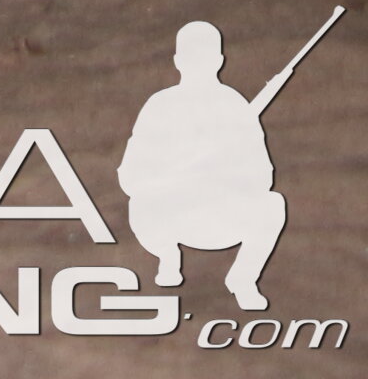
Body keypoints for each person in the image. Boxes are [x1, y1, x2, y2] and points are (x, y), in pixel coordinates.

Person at [122, 16, 305, 311]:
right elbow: (130, 174)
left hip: (219, 214)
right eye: (193, 57)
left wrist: (223, 171)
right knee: (139, 203)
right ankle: (167, 256)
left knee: (273, 205)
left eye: (204, 57)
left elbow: (263, 177)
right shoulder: (160, 105)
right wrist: (168, 177)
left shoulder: (235, 107)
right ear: (178, 60)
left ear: (219, 60)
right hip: (169, 214)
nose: (198, 63)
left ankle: (243, 279)